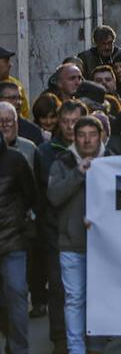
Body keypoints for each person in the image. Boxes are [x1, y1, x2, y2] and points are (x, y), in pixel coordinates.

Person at [46, 115, 106, 354]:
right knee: (74, 299)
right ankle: (75, 348)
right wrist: (78, 174)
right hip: (72, 244)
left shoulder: (112, 163)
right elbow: (54, 196)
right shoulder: (62, 162)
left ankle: (97, 347)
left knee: (99, 299)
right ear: (75, 137)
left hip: (104, 247)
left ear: (101, 136)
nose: (87, 139)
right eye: (82, 135)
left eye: (92, 134)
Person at [0, 104, 36, 354]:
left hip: (13, 241)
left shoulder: (17, 159)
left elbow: (32, 197)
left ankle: (19, 350)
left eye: (8, 120)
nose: (4, 125)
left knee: (16, 296)